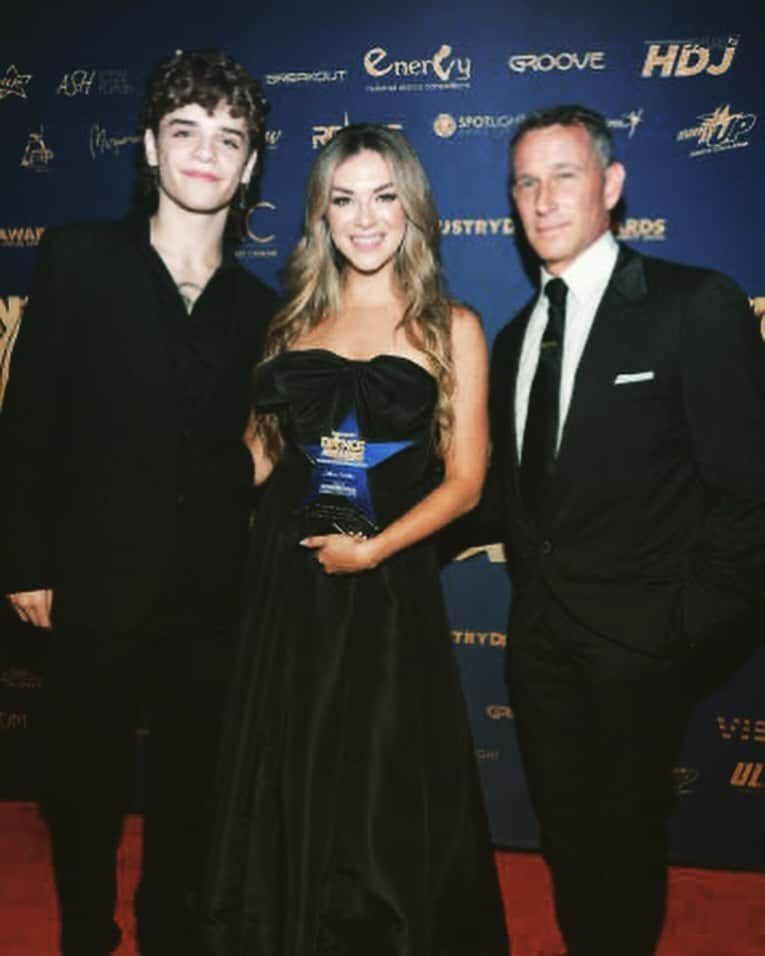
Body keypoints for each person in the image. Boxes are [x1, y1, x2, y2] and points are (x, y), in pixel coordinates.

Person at [200, 124, 509, 955]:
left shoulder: (452, 326)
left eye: (383, 197)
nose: (363, 219)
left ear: (412, 209)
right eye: (343, 199)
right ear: (319, 215)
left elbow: (467, 482)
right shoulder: (290, 323)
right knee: (284, 768)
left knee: (377, 779)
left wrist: (372, 553)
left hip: (384, 588)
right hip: (284, 586)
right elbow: (258, 461)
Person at [0, 49, 278, 956]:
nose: (205, 152)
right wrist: (26, 560)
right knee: (80, 779)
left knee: (193, 783)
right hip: (91, 578)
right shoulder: (80, 258)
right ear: (149, 147)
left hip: (210, 591)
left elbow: (268, 440)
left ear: (249, 165)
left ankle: (172, 928)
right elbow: (29, 419)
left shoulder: (260, 305)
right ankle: (87, 927)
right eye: (185, 131)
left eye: (227, 137)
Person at [483, 103, 765, 956]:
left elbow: (749, 493)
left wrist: (679, 635)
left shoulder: (692, 304)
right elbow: (513, 500)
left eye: (562, 176)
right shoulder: (513, 338)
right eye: (524, 182)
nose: (541, 200)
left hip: (641, 648)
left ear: (610, 185)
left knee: (629, 843)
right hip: (538, 645)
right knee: (566, 835)